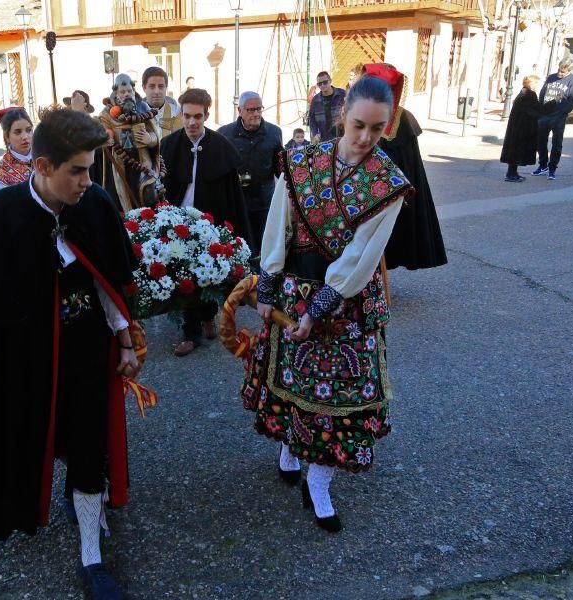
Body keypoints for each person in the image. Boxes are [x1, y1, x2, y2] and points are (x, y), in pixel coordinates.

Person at [0, 107, 138, 600]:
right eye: (76, 170)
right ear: (42, 165)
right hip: (20, 360)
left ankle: (91, 555)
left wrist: (125, 339)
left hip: (86, 351)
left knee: (90, 446)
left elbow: (108, 279)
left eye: (90, 168)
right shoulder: (0, 214)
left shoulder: (92, 205)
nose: (86, 181)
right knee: (19, 436)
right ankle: (12, 506)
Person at [248, 75, 413, 533]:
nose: (365, 138)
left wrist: (317, 309)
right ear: (343, 115)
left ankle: (318, 484)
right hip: (293, 287)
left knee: (341, 399)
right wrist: (267, 286)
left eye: (377, 129)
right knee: (288, 381)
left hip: (347, 299)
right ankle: (289, 447)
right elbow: (277, 223)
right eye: (358, 124)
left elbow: (362, 254)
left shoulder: (387, 183)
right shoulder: (299, 161)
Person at [160, 88, 249, 357]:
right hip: (180, 220)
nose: (192, 122)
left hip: (211, 219)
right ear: (181, 114)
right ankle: (191, 333)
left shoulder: (221, 146)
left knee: (210, 271)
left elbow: (231, 194)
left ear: (207, 115)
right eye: (187, 116)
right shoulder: (170, 145)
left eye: (198, 116)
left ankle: (209, 316)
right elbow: (165, 184)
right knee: (185, 276)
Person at [364, 63, 447, 271]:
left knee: (388, 239)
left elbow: (407, 164)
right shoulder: (359, 113)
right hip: (361, 190)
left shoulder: (403, 119)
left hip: (390, 192)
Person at [217, 90, 282, 255]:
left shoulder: (274, 133)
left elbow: (280, 170)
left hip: (265, 202)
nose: (256, 113)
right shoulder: (225, 134)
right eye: (250, 110)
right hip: (237, 201)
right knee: (238, 245)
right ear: (240, 111)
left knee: (264, 247)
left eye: (259, 109)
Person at [97, 73, 165, 211]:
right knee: (122, 198)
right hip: (120, 162)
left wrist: (150, 139)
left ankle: (148, 222)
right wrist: (107, 137)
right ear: (116, 93)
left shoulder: (144, 108)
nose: (127, 94)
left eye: (129, 91)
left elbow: (156, 132)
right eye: (122, 92)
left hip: (143, 161)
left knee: (149, 194)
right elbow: (102, 131)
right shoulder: (107, 114)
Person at [532, 57, 573, 180]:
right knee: (540, 141)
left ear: (569, 71)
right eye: (559, 70)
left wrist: (562, 112)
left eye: (563, 71)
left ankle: (552, 168)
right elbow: (543, 93)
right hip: (544, 115)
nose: (560, 73)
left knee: (556, 143)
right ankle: (543, 165)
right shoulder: (551, 77)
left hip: (559, 117)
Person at [500, 75, 543, 182]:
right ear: (530, 83)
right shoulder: (529, 94)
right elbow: (534, 111)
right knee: (517, 152)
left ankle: (513, 173)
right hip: (522, 128)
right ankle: (511, 174)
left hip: (517, 127)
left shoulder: (523, 93)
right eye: (536, 83)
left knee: (515, 152)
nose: (538, 85)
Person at [0, 107, 32, 189]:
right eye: (17, 132)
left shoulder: (43, 156)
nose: (25, 136)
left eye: (29, 130)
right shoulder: (1, 172)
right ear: (7, 137)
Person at [142, 66, 182, 138]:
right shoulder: (136, 113)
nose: (157, 91)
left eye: (161, 86)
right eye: (152, 86)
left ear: (166, 87)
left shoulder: (177, 112)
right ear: (144, 87)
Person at [308, 71, 346, 143]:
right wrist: (315, 133)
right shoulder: (315, 100)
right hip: (324, 139)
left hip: (342, 138)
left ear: (330, 81)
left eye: (325, 82)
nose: (322, 85)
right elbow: (312, 120)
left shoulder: (342, 94)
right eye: (319, 84)